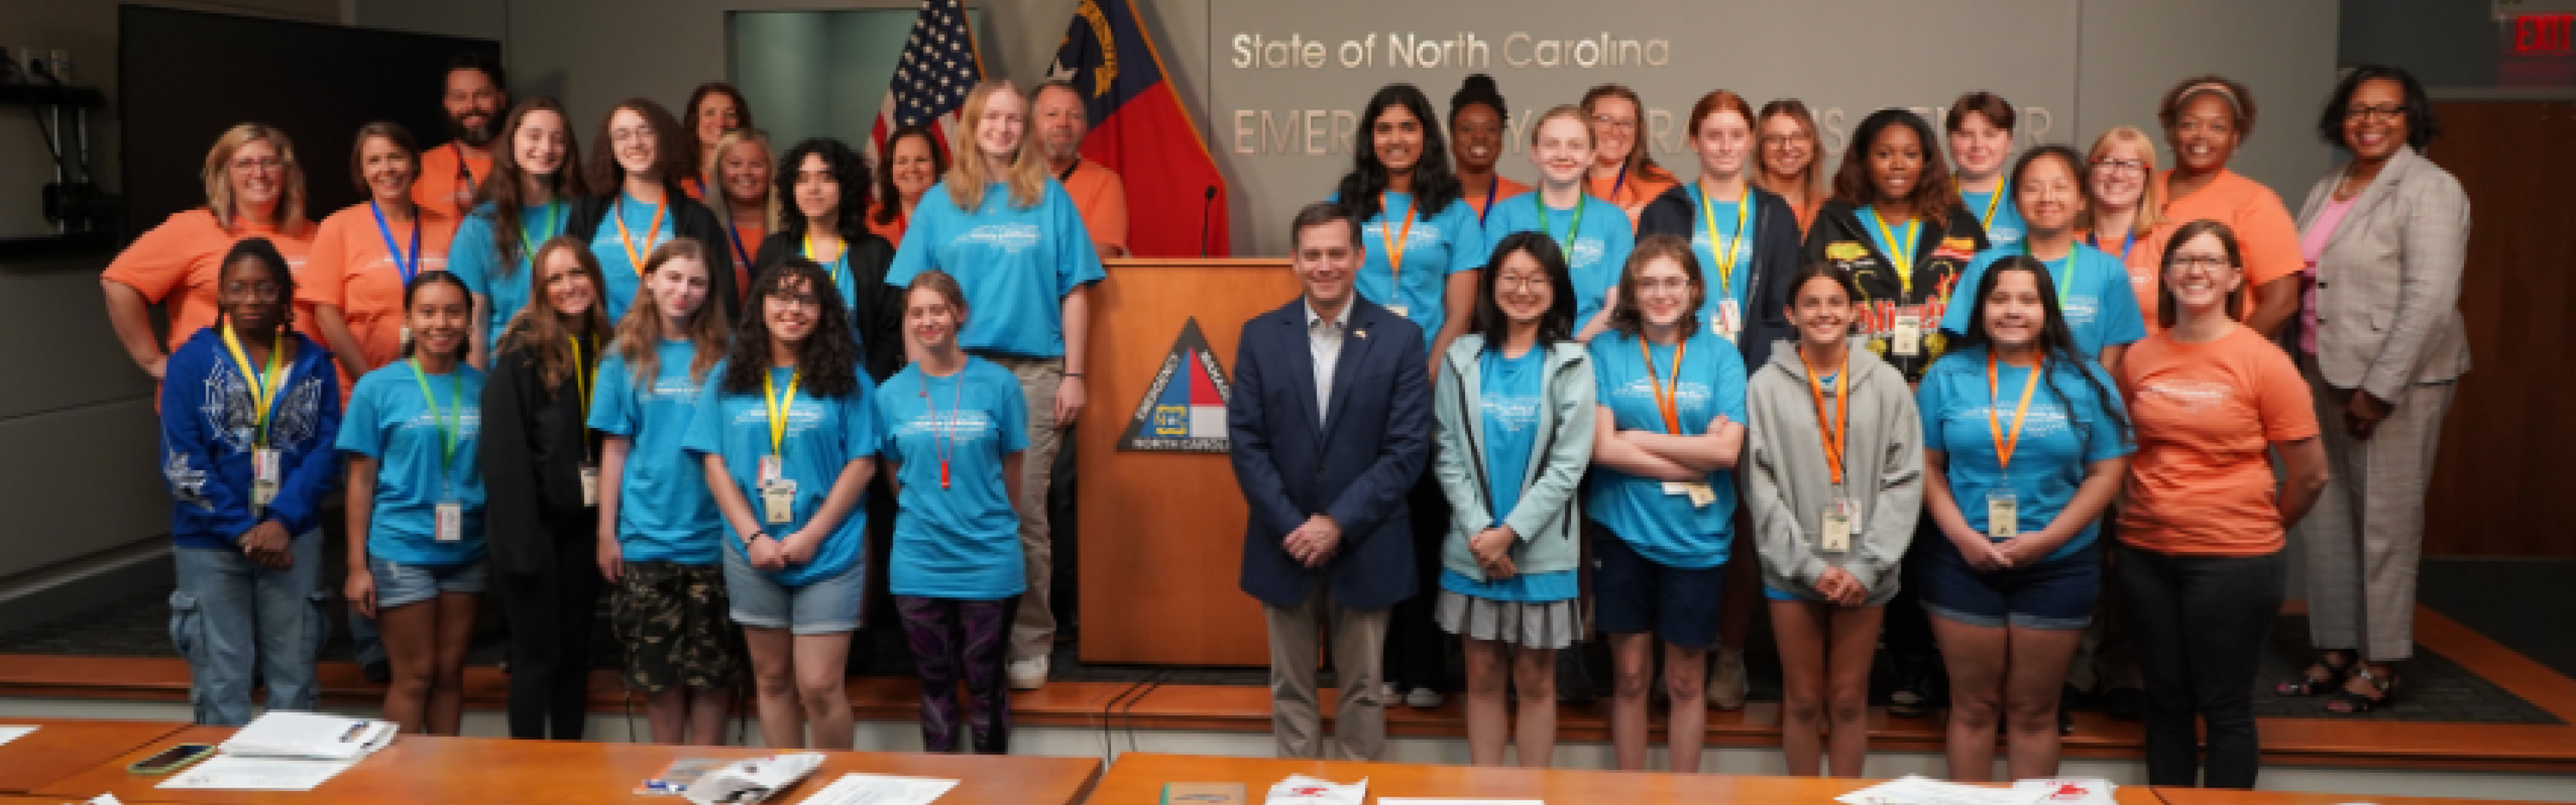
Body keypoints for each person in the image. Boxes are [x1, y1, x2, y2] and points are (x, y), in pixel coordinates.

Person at [883, 80, 1105, 692]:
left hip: (1034, 373)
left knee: (1022, 508)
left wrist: (1075, 374)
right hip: (956, 371)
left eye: (1014, 119)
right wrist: (916, 382)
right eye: (992, 118)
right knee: (950, 502)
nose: (1004, 129)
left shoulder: (1051, 199)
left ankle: (1029, 638)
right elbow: (916, 298)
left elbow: (1075, 291)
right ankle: (963, 639)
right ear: (970, 127)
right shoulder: (936, 205)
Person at [2279, 64, 2470, 716]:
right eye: (2359, 110)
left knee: (2385, 524)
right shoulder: (2330, 184)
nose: (2370, 121)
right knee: (2329, 520)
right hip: (2316, 370)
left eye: (2386, 110)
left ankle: (2381, 661)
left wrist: (2380, 389)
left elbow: (2430, 300)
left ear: (2411, 118)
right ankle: (2337, 647)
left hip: (2392, 384)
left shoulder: (2431, 189)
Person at [2116, 220, 2328, 788]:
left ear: (2236, 276)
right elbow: (2126, 449)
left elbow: (2310, 476)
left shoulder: (2264, 362)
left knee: (2226, 707)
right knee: (2165, 702)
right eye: (2184, 259)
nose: (2196, 271)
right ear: (2165, 273)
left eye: (2211, 261)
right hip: (2147, 554)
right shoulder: (2139, 357)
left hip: (2234, 561)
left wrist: (2255, 531)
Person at [1228, 201, 1432, 760]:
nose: (1325, 266)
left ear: (1359, 257)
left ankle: (1359, 789)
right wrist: (1296, 526)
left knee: (1365, 691)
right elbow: (1246, 443)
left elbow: (1407, 450)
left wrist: (1337, 523)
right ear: (1294, 260)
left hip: (1367, 540)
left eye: (1336, 254)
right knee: (1291, 690)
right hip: (1283, 542)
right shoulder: (1260, 336)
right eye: (1312, 254)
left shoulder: (1400, 339)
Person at [1917, 257, 2133, 781]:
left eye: (2027, 300)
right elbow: (1926, 467)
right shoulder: (1947, 374)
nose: (2012, 310)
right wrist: (1963, 537)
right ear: (1980, 308)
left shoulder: (2086, 377)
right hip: (1962, 559)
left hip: (2059, 564)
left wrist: (2047, 540)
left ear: (2046, 309)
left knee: (2034, 713)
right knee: (1972, 709)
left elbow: (2107, 473)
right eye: (1999, 299)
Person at [685, 258, 881, 750]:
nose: (792, 308)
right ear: (761, 306)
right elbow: (713, 462)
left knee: (818, 685)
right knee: (771, 681)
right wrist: (753, 537)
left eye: (806, 299)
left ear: (824, 311)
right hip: (752, 550)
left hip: (829, 549)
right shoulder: (728, 376)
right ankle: (787, 790)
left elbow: (863, 465)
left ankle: (836, 793)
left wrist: (812, 535)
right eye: (781, 296)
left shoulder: (850, 380)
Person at [1332, 83, 1484, 709]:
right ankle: (1378, 669)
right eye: (1384, 127)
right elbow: (1330, 286)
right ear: (1371, 137)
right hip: (1357, 386)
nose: (1396, 139)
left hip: (1429, 383)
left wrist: (1424, 372)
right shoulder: (1346, 202)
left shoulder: (1452, 211)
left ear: (1428, 136)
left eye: (1409, 127)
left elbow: (1462, 310)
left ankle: (1425, 665)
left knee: (1425, 525)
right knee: (1369, 527)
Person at [1743, 263, 1924, 777]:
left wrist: (1867, 566)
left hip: (1865, 572)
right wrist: (1805, 565)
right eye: (1811, 303)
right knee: (1801, 699)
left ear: (1854, 313)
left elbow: (1905, 479)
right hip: (1793, 568)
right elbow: (1760, 486)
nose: (1823, 313)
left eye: (1834, 303)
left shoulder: (1887, 384)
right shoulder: (1764, 387)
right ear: (1790, 314)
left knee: (1848, 699)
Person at [158, 237, 341, 725]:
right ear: (220, 295)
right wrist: (243, 530)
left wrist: (281, 522)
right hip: (209, 544)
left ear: (284, 296)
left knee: (295, 680)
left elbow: (327, 453)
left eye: (265, 287)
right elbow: (182, 461)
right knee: (221, 683)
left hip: (293, 540)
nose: (251, 298)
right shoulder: (189, 363)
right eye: (237, 287)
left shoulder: (315, 363)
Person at [1586, 236, 1750, 771]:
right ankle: (1631, 792)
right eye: (1648, 283)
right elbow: (1600, 448)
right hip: (1623, 528)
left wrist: (1637, 439)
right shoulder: (1605, 351)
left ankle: (1684, 794)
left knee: (1684, 678)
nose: (1661, 294)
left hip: (1697, 535)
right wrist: (1694, 457)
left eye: (1672, 282)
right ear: (1631, 291)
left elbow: (1728, 452)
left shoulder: (1722, 355)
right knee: (1630, 676)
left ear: (1694, 289)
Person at [1432, 232, 1594, 767]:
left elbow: (1568, 466)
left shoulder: (1573, 362)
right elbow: (1447, 449)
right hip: (1472, 547)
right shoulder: (1461, 356)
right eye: (1511, 278)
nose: (1522, 290)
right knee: (1481, 677)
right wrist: (1483, 532)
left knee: (1534, 678)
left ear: (1555, 289)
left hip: (1541, 551)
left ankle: (1530, 797)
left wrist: (1511, 533)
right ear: (1491, 284)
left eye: (1537, 280)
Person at [590, 238, 741, 746]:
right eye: (673, 278)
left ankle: (710, 782)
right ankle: (670, 783)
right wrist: (606, 534)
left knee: (714, 678)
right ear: (650, 280)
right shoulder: (620, 356)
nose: (684, 291)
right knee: (659, 680)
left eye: (696, 282)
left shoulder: (729, 356)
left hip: (716, 540)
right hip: (647, 538)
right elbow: (614, 450)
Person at [878, 270, 1030, 754]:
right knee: (936, 685)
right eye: (918, 313)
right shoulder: (890, 395)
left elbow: (1013, 470)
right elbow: (894, 475)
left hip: (988, 559)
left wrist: (988, 520)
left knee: (986, 686)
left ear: (959, 314)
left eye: (938, 311)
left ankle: (992, 790)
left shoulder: (1000, 385)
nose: (928, 321)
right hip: (920, 561)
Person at [339, 270, 486, 736]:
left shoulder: (487, 387)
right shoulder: (377, 389)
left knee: (448, 675)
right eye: (427, 312)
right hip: (401, 548)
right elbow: (360, 481)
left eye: (452, 312)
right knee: (416, 675)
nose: (440, 323)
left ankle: (444, 784)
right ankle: (399, 787)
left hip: (467, 550)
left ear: (469, 320)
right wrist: (356, 566)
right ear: (408, 320)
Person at [479, 236, 612, 739]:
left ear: (595, 279)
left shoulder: (611, 350)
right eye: (554, 278)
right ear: (540, 290)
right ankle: (529, 780)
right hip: (531, 533)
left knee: (575, 656)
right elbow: (503, 458)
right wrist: (520, 549)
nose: (569, 286)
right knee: (538, 658)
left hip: (585, 528)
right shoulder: (522, 357)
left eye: (577, 273)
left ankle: (569, 772)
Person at [105, 124, 319, 380]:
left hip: (300, 394)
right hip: (210, 395)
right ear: (224, 173)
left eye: (270, 162)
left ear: (287, 172)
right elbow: (118, 282)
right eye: (244, 164)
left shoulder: (318, 235)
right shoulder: (191, 228)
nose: (259, 173)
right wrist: (152, 361)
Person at [1804, 108, 1989, 385]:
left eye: (1911, 155)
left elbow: (1986, 304)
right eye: (1884, 154)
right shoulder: (1835, 222)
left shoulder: (1959, 225)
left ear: (1926, 162)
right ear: (1864, 160)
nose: (1898, 165)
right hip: (1857, 386)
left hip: (1945, 385)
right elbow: (1806, 304)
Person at [1639, 89, 1807, 370]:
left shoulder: (1774, 214)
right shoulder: (1665, 211)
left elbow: (1783, 306)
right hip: (1676, 364)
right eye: (1714, 136)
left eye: (1737, 136)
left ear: (1751, 140)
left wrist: (1750, 371)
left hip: (1758, 367)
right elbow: (1644, 295)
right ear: (1695, 142)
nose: (1726, 147)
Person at [1939, 147, 2149, 370]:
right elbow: (1963, 347)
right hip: (1998, 398)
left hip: (2079, 400)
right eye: (2033, 188)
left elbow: (2112, 363)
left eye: (2060, 187)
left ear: (2082, 200)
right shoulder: (1985, 264)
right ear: (2016, 202)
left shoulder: (2108, 271)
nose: (2047, 198)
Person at [308, 123, 460, 393]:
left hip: (440, 384)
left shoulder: (450, 228)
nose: (386, 169)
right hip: (362, 387)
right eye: (374, 161)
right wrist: (370, 383)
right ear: (363, 171)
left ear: (414, 163)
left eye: (396, 157)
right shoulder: (338, 227)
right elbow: (326, 314)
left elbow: (467, 306)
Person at [568, 98, 740, 327]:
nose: (635, 143)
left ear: (664, 139)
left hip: (674, 350)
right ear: (610, 147)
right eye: (622, 135)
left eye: (645, 131)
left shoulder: (698, 218)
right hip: (598, 348)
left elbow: (722, 302)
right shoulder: (587, 211)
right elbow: (567, 282)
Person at [2154, 76, 2302, 337]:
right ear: (2171, 132)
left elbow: (2281, 303)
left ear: (2235, 139)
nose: (2202, 135)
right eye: (2189, 124)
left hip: (2211, 364)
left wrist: (2226, 359)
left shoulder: (2257, 201)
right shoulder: (2140, 189)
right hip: (2129, 357)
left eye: (2218, 127)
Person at [449, 97, 588, 366]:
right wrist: (478, 391)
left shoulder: (583, 215)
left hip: (573, 363)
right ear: (511, 143)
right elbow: (473, 320)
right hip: (504, 366)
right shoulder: (481, 224)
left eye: (558, 139)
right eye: (534, 137)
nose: (546, 148)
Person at [1484, 105, 1635, 343]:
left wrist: (1574, 347)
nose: (1563, 155)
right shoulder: (1504, 215)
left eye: (1575, 146)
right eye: (1551, 144)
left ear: (1592, 156)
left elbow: (1616, 304)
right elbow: (1495, 294)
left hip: (1593, 351)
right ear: (1534, 153)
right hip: (1522, 348)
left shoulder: (1614, 219)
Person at [755, 138, 902, 383]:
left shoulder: (876, 253)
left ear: (847, 186)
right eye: (802, 178)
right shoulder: (774, 251)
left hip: (857, 388)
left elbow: (892, 332)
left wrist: (870, 386)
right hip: (787, 393)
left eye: (826, 177)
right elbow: (758, 323)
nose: (813, 188)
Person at [2077, 126, 2170, 337]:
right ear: (2090, 171)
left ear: (2147, 176)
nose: (2118, 175)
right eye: (2107, 162)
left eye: (2132, 166)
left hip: (2150, 366)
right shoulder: (2064, 239)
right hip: (2075, 364)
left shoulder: (2170, 241)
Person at [1032, 80, 1130, 258]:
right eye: (1052, 114)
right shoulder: (1004, 180)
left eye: (1074, 116)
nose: (1063, 123)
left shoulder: (1105, 182)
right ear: (1030, 126)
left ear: (1085, 128)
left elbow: (1103, 254)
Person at [414, 54, 507, 221]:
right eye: (460, 97)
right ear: (446, 104)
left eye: (482, 95)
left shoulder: (527, 164)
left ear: (501, 99)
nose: (471, 106)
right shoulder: (418, 168)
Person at [1580, 84, 1678, 225]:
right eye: (1605, 120)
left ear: (1638, 130)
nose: (1615, 131)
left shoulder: (1663, 187)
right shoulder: (1559, 186)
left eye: (1626, 123)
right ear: (1583, 124)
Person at [1949, 92, 2026, 248]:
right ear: (1950, 140)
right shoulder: (1926, 198)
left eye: (1990, 135)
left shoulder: (2026, 199)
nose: (1978, 145)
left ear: (2009, 142)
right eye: (1966, 135)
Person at [1450, 74, 1527, 222]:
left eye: (1490, 129)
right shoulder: (1428, 198)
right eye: (1467, 129)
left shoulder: (1526, 199)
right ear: (1452, 140)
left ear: (1502, 139)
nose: (1479, 137)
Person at [706, 127, 775, 289]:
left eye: (757, 165)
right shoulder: (702, 226)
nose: (746, 172)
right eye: (735, 164)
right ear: (719, 171)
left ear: (770, 171)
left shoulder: (792, 228)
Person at [1755, 99, 1828, 235]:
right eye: (1775, 138)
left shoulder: (1832, 210)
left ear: (1814, 146)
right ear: (1759, 149)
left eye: (1798, 137)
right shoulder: (1741, 205)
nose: (1787, 147)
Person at [868, 125, 945, 246]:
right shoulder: (870, 219)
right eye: (902, 161)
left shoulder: (959, 215)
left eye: (921, 160)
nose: (912, 169)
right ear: (890, 170)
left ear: (937, 166)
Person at [682, 82, 753, 200]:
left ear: (741, 124)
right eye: (710, 113)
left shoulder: (755, 175)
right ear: (694, 121)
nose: (721, 122)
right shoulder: (673, 178)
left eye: (730, 114)